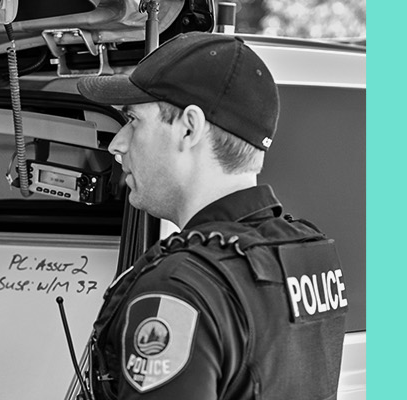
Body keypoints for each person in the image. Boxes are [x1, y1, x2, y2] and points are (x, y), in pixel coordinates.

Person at [70, 33, 348, 400]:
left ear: (189, 127)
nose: (116, 143)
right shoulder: (308, 254)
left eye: (133, 120)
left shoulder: (178, 290)